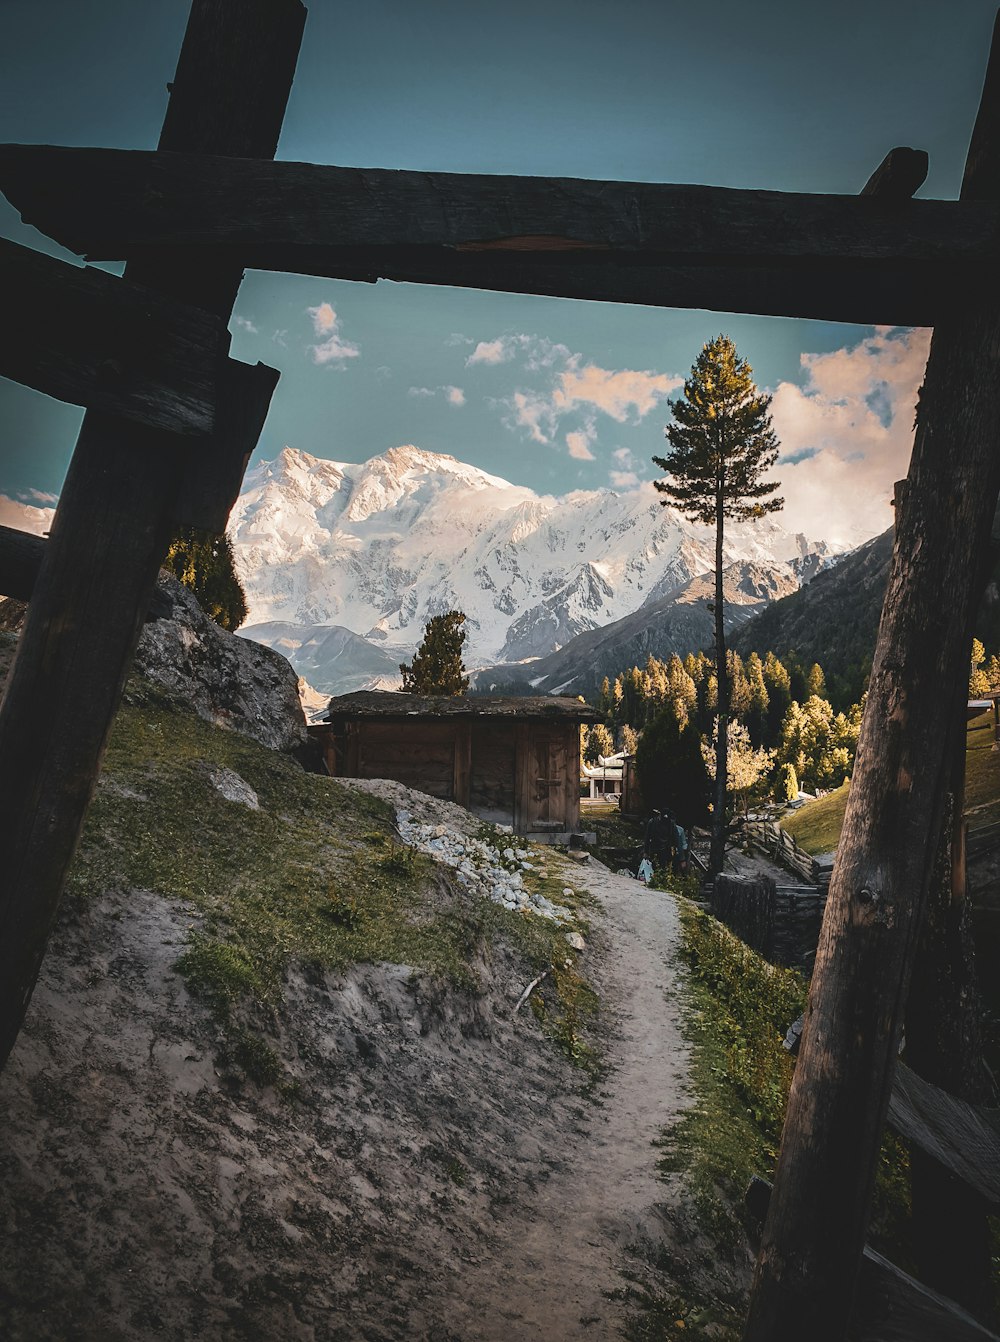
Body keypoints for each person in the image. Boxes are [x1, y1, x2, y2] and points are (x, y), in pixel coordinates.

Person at [643, 808, 674, 872]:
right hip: (653, 849)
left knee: (662, 869)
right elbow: (647, 837)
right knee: (652, 867)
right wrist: (646, 851)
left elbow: (671, 837)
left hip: (664, 850)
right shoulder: (652, 822)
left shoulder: (670, 823)